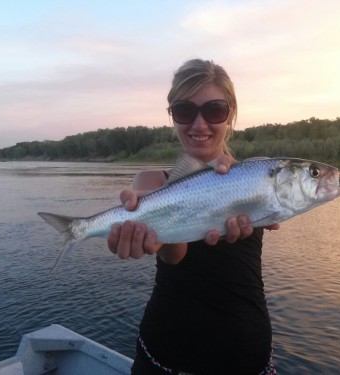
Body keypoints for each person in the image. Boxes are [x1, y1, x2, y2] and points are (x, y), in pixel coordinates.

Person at [107, 59, 279, 374]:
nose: (199, 125)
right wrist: (157, 219)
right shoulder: (150, 183)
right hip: (167, 355)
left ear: (231, 115)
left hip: (248, 355)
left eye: (214, 110)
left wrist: (273, 210)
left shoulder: (257, 176)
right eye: (185, 111)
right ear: (172, 117)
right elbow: (174, 258)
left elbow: (281, 207)